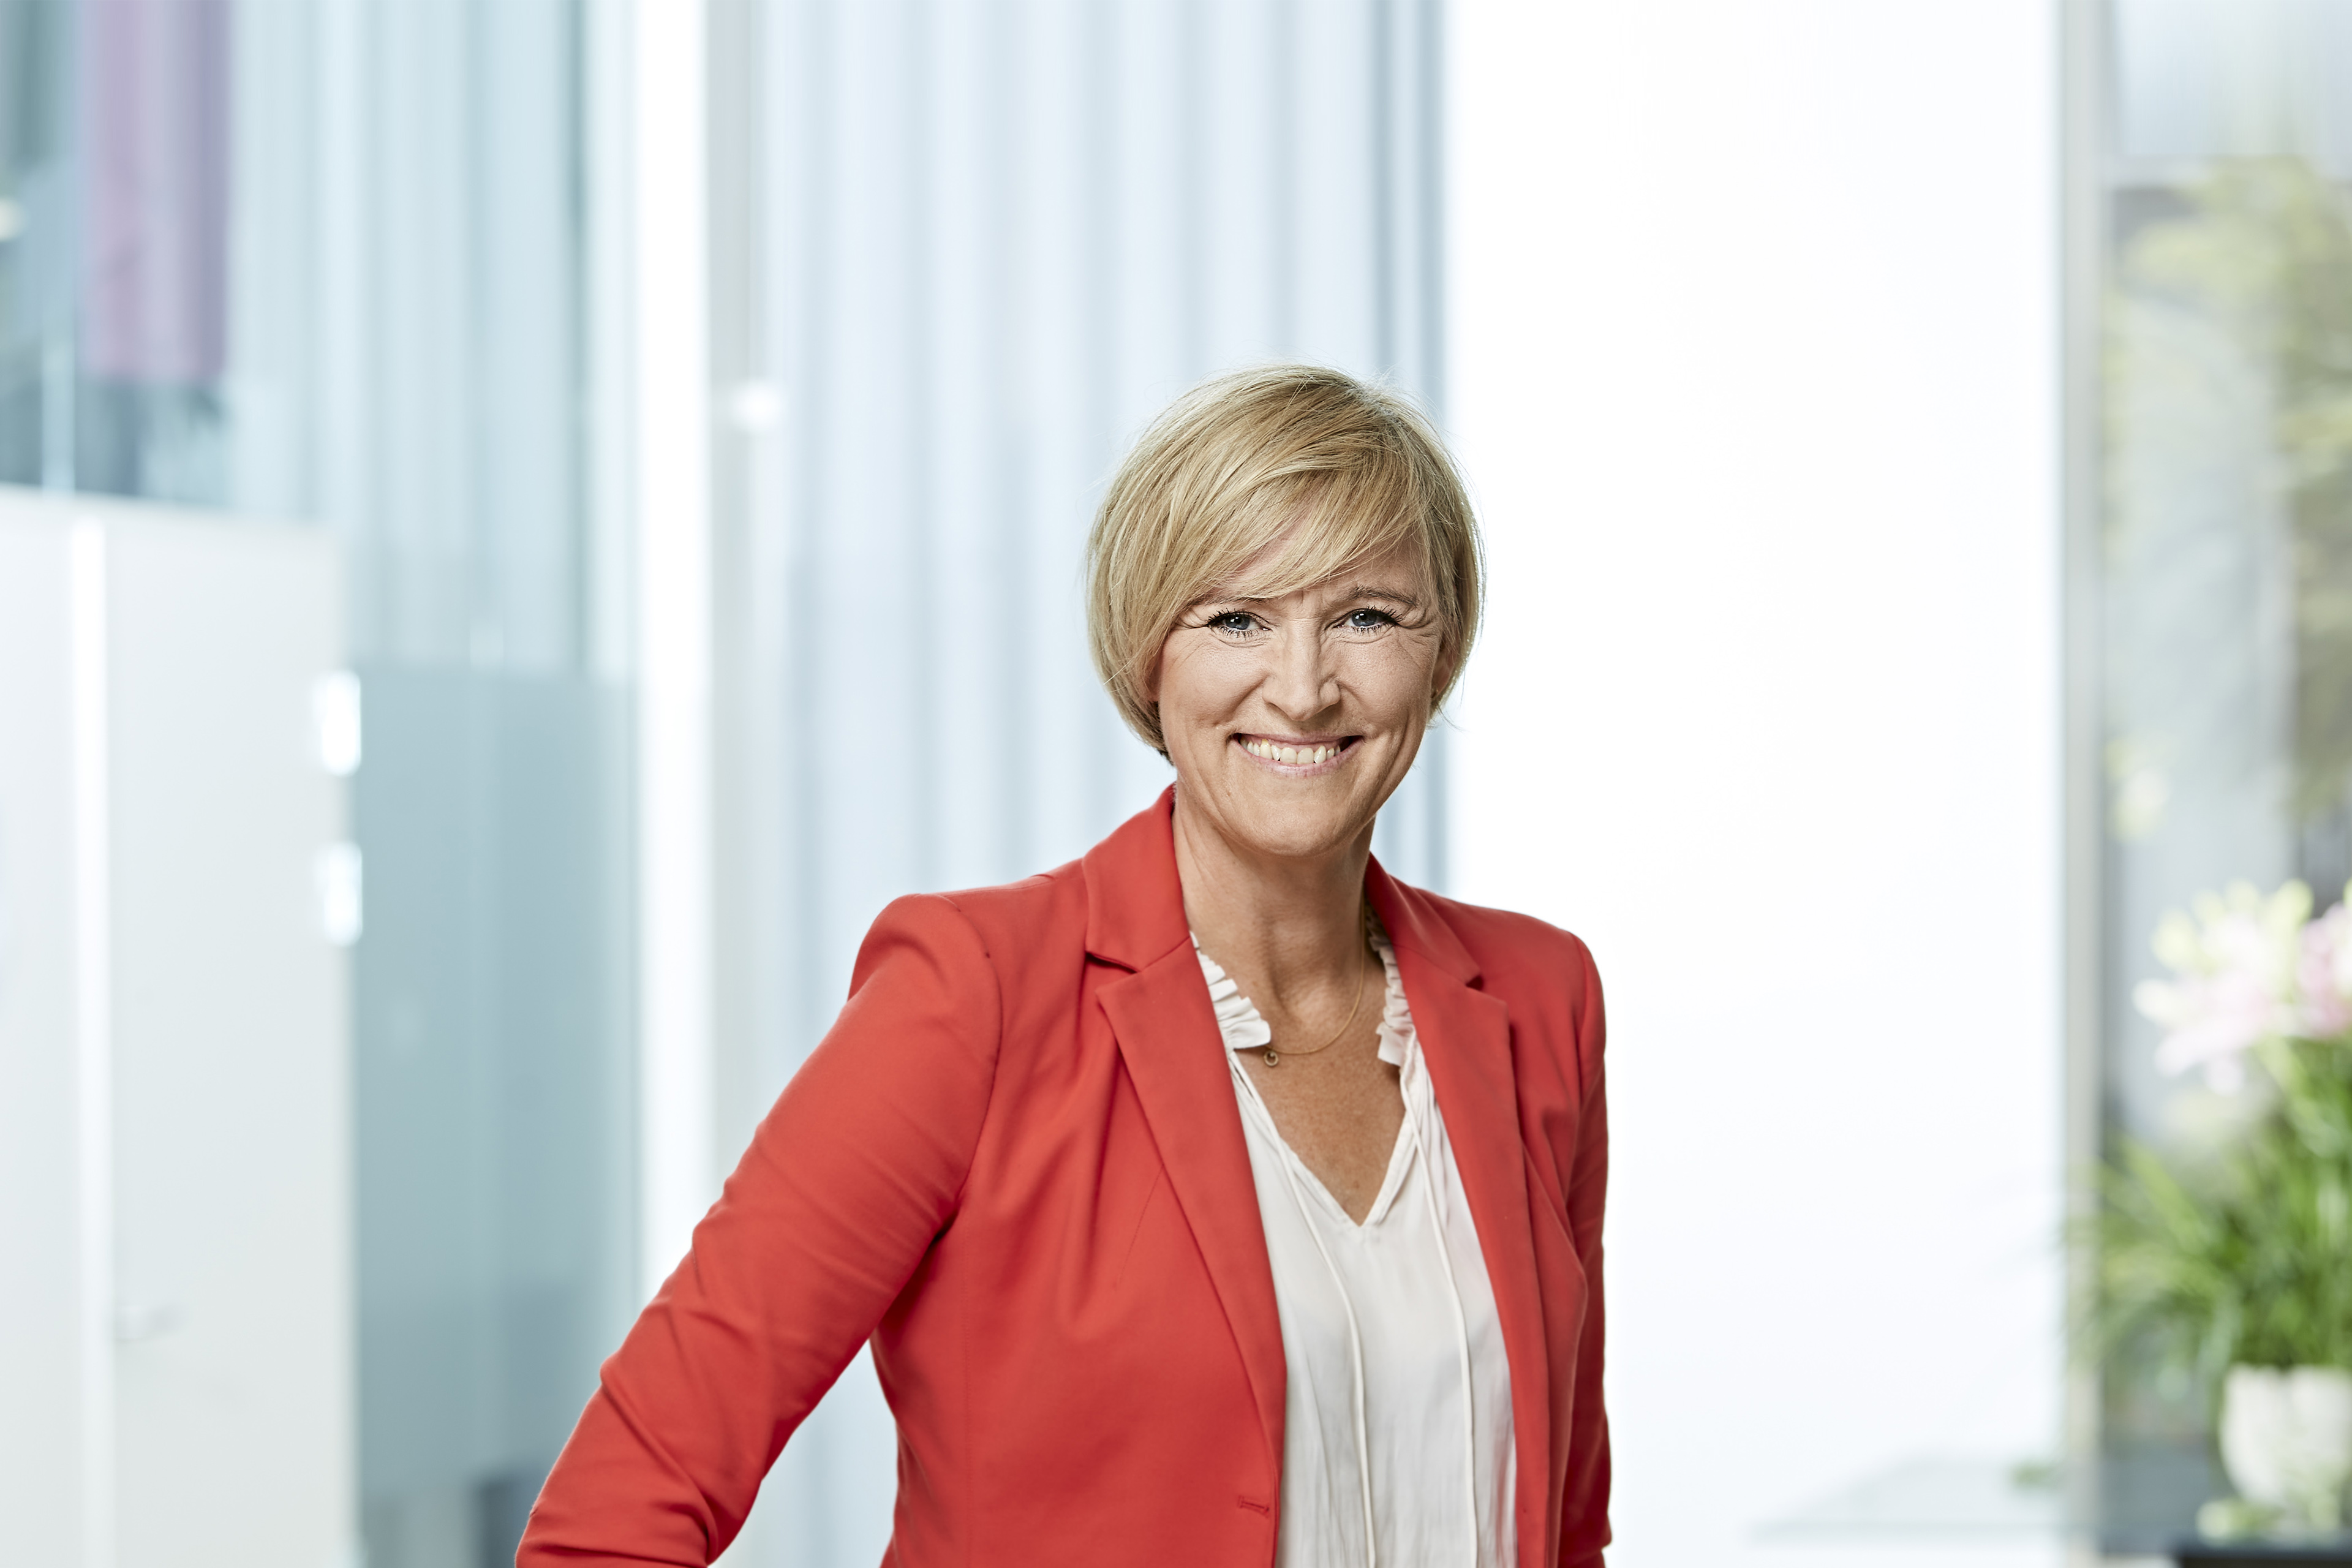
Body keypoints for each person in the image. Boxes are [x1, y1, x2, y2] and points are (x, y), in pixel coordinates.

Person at [518, 364, 1609, 1568]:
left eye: (1367, 616)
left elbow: (1565, 1521)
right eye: (1236, 619)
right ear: (1149, 656)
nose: (1303, 689)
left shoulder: (1540, 1000)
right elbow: (619, 1509)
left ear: (1440, 651)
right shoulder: (972, 995)